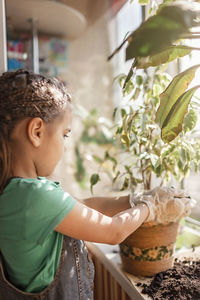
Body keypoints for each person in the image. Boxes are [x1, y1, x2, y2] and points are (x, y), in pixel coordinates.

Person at [0, 69, 190, 300]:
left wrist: (134, 199)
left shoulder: (15, 193)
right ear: (37, 131)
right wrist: (152, 207)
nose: (65, 146)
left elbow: (85, 205)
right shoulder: (34, 196)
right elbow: (113, 231)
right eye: (65, 135)